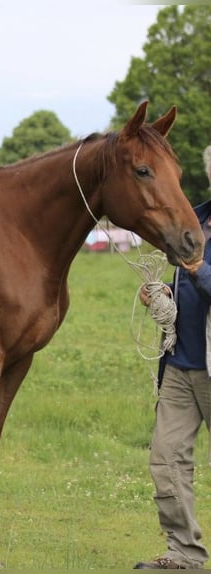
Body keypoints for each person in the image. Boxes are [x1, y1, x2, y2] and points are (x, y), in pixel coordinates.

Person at [134, 198, 211, 569]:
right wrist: (163, 292)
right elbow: (185, 282)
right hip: (180, 365)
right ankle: (183, 553)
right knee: (166, 460)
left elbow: (197, 273)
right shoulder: (192, 217)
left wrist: (199, 269)